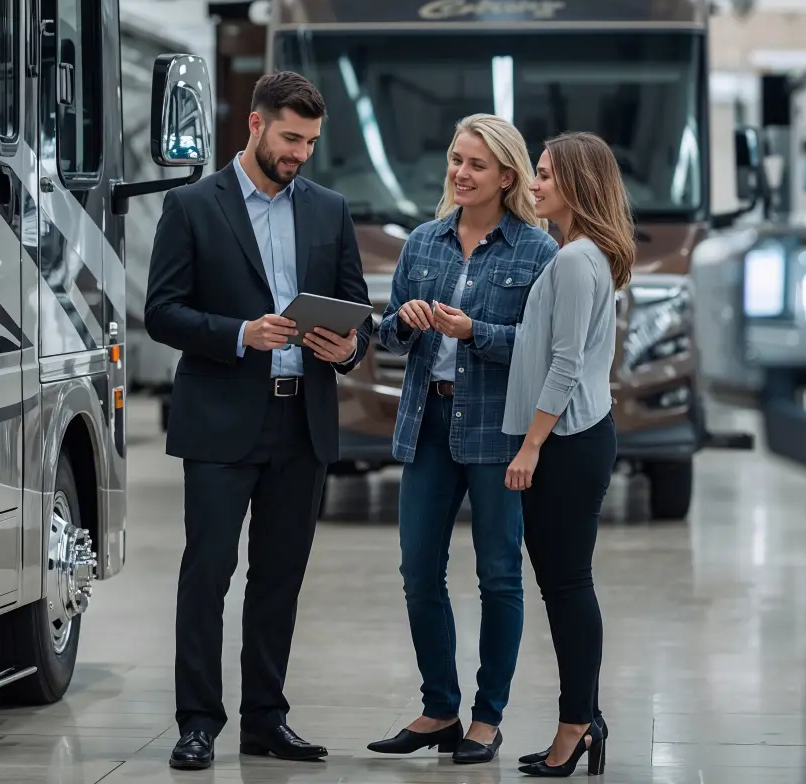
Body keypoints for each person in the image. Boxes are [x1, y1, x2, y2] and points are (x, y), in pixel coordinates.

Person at [144, 70, 374, 771]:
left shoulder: (330, 210)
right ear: (255, 124)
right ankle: (197, 722)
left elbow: (355, 310)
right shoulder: (191, 205)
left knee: (279, 578)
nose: (299, 153)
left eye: (309, 142)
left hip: (301, 424)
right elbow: (162, 311)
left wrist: (347, 345)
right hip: (220, 422)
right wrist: (243, 332)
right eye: (289, 138)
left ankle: (266, 720)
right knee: (208, 574)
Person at [365, 114, 556, 765]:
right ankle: (439, 708)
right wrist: (406, 321)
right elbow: (388, 333)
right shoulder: (424, 242)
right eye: (455, 159)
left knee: (499, 574)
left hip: (497, 430)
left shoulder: (537, 252)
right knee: (419, 570)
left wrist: (477, 332)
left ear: (508, 176)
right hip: (428, 423)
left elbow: (540, 349)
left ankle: (488, 717)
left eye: (476, 164)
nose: (460, 173)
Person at [504, 131, 637, 778]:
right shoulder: (579, 256)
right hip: (572, 436)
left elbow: (565, 364)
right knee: (563, 585)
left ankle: (577, 726)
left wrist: (531, 444)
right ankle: (582, 715)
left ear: (579, 184)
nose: (535, 184)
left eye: (548, 174)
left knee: (567, 586)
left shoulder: (574, 260)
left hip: (568, 439)